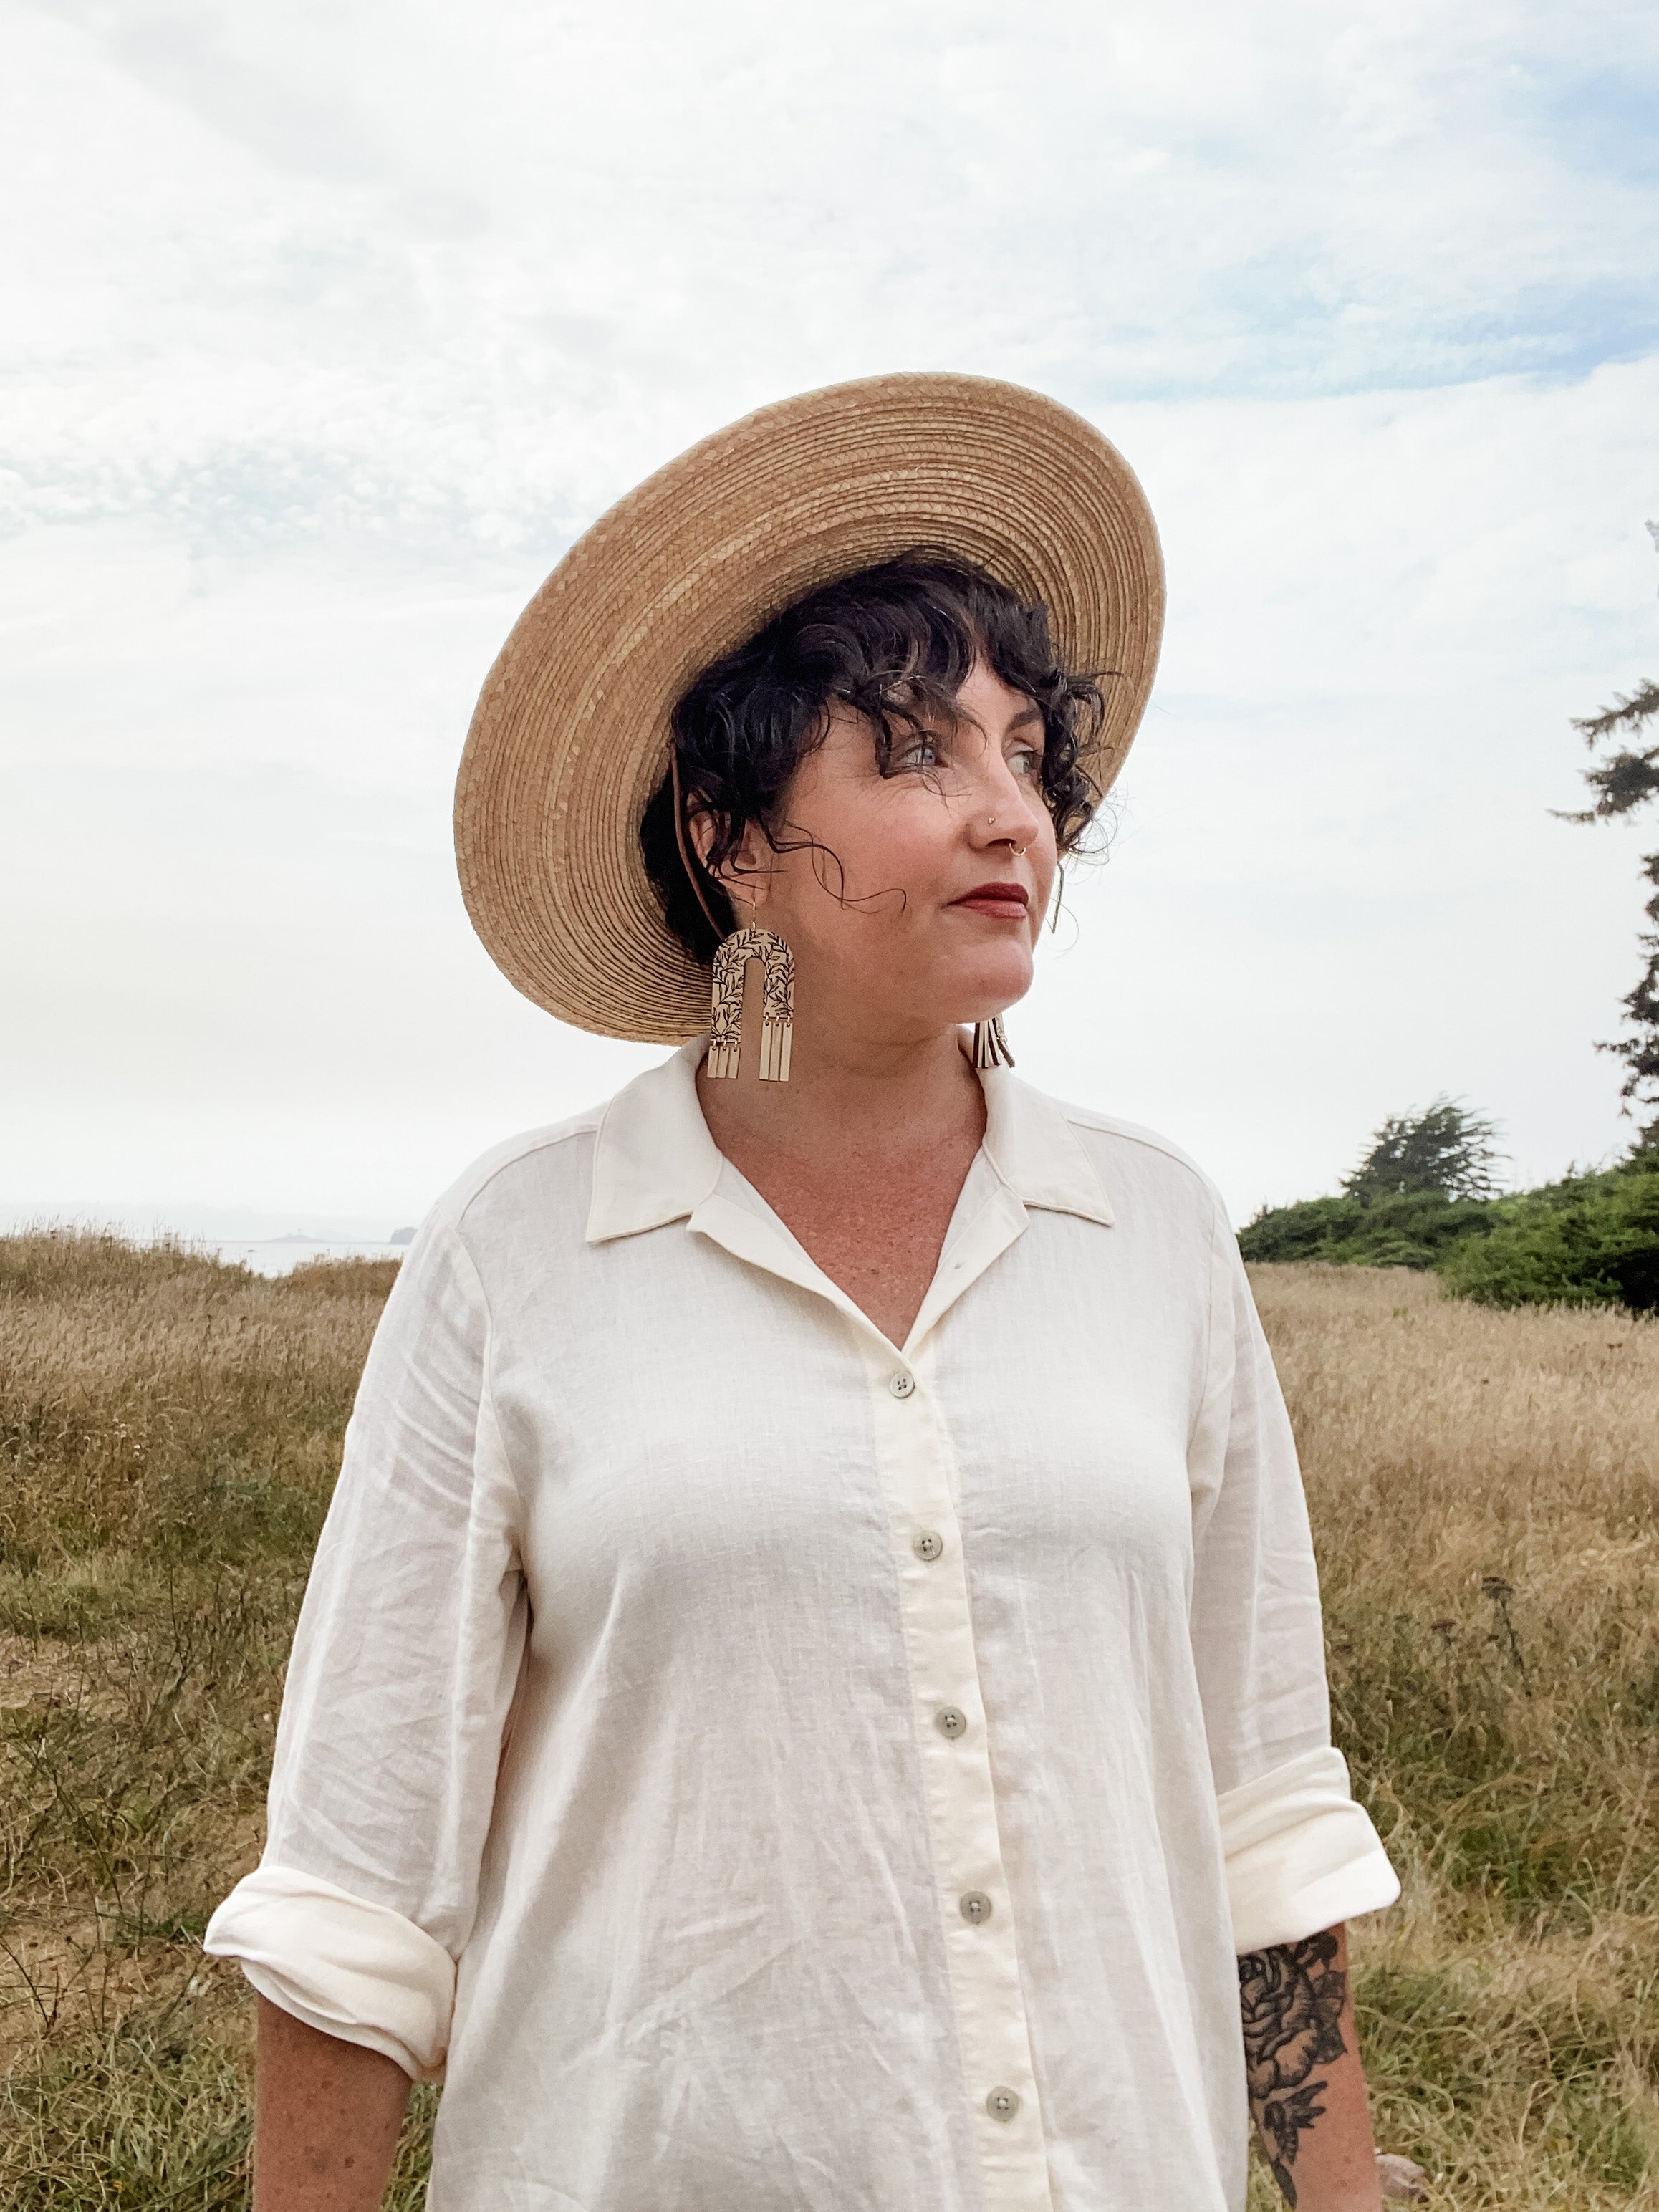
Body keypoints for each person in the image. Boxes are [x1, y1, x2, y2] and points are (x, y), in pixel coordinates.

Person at [206, 373, 1399, 2212]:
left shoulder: (1155, 1232)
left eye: (1028, 754)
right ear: (730, 835)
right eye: (919, 753)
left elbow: (1266, 1825)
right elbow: (356, 1892)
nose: (1011, 813)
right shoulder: (520, 1253)